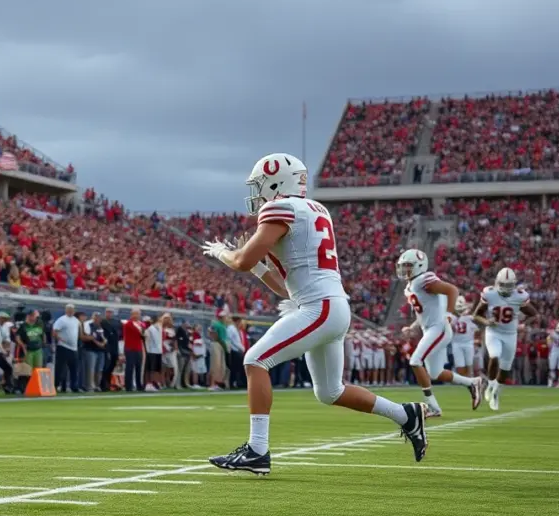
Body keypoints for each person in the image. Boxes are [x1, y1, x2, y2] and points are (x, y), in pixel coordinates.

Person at [203, 153, 427, 474]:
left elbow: (240, 261)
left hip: (319, 307)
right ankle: (406, 415)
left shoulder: (280, 207)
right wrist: (257, 267)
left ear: (278, 181)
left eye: (261, 184)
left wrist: (223, 252)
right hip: (330, 305)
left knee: (255, 360)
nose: (258, 192)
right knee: (330, 391)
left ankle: (257, 450)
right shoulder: (314, 210)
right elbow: (284, 288)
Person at [396, 249, 483, 417]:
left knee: (415, 361)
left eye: (408, 266)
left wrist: (449, 314)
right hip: (430, 328)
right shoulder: (411, 286)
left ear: (419, 266)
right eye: (403, 266)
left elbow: (452, 290)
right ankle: (472, 383)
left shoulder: (423, 279)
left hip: (439, 328)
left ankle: (433, 406)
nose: (404, 270)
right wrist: (413, 327)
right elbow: (424, 311)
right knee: (435, 373)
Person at [473, 268, 538, 411]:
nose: (506, 289)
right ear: (497, 282)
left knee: (505, 368)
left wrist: (523, 324)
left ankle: (496, 392)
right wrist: (486, 322)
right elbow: (476, 315)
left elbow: (534, 314)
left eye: (509, 286)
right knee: (494, 356)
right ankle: (490, 385)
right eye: (503, 284)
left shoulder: (519, 296)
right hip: (493, 332)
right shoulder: (489, 293)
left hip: (510, 334)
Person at [52, 303, 82, 393]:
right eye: (69, 309)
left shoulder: (76, 320)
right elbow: (54, 332)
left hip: (74, 348)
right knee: (60, 368)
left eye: (72, 309)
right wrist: (60, 339)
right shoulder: (61, 320)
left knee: (74, 368)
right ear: (66, 310)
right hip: (63, 346)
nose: (71, 311)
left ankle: (74, 386)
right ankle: (56, 385)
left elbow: (79, 331)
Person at [450, 296, 477, 377]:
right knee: (459, 366)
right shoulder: (451, 318)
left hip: (468, 342)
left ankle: (471, 379)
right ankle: (464, 379)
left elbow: (477, 328)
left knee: (469, 364)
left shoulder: (469, 318)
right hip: (456, 343)